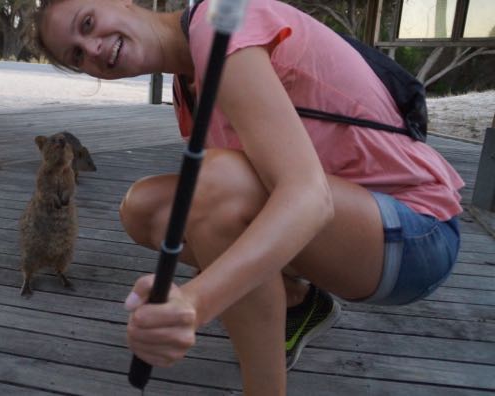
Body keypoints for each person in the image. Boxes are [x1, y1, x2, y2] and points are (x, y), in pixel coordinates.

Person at [33, 0, 464, 393]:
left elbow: (307, 195)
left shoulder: (217, 28)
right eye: (76, 55)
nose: (92, 49)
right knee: (145, 209)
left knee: (214, 184)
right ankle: (298, 303)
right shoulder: (188, 87)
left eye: (88, 23)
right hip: (350, 227)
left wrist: (194, 302)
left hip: (416, 233)